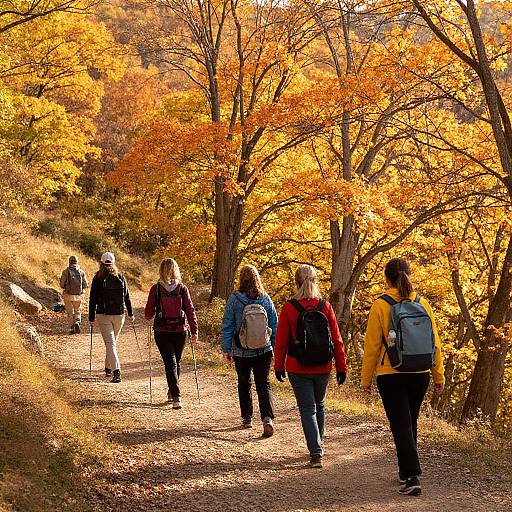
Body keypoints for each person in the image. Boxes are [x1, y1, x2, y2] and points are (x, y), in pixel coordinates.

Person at [361, 257, 445, 496]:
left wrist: (366, 379)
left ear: (387, 278)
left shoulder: (381, 304)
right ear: (409, 275)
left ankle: (412, 476)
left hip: (392, 373)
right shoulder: (423, 303)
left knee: (401, 423)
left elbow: (372, 347)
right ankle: (404, 470)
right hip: (420, 372)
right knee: (409, 422)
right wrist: (439, 375)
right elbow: (435, 343)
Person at [274, 264, 348, 467]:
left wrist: (278, 366)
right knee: (319, 405)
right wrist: (342, 367)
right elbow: (337, 339)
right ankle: (319, 445)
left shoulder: (289, 307)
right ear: (316, 281)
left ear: (296, 283)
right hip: (323, 366)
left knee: (307, 408)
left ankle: (315, 452)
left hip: (297, 366)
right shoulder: (325, 306)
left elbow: (281, 341)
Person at [222, 265, 278, 437]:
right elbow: (275, 324)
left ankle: (247, 418)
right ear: (257, 279)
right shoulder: (265, 298)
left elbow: (228, 325)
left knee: (244, 383)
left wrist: (227, 349)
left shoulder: (234, 299)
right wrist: (275, 348)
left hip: (241, 350)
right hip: (264, 350)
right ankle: (267, 418)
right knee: (263, 384)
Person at [144, 258, 198, 409]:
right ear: (176, 270)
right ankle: (174, 393)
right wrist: (194, 331)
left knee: (170, 362)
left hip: (162, 331)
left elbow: (148, 313)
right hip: (180, 331)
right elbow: (190, 310)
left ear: (161, 270)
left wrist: (151, 314)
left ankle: (175, 395)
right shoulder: (182, 289)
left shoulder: (156, 289)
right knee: (175, 362)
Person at [89, 252, 133, 383]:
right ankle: (109, 367)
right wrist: (130, 313)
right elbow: (127, 296)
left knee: (110, 343)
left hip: (103, 315)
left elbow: (93, 299)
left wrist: (91, 316)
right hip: (119, 315)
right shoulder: (120, 276)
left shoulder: (97, 278)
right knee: (112, 343)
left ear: (101, 263)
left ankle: (116, 372)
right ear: (113, 263)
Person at [59, 255, 88, 334]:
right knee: (77, 310)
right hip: (78, 296)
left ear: (69, 262)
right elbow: (85, 285)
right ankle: (77, 322)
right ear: (77, 262)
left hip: (68, 295)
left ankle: (72, 327)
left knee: (69, 312)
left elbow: (61, 284)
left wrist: (66, 287)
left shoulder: (65, 271)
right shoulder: (81, 272)